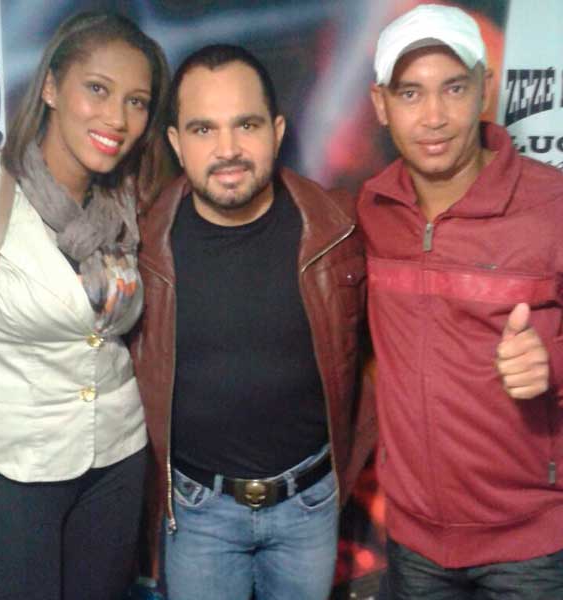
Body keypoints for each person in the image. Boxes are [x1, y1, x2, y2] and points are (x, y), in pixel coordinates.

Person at [130, 44, 376, 600]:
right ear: (176, 142)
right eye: (203, 129)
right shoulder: (142, 243)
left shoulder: (338, 229)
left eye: (246, 124)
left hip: (310, 506)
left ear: (277, 130)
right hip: (197, 513)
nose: (228, 150)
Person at [358, 4, 563, 599]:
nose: (434, 116)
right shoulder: (371, 209)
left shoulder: (551, 205)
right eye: (410, 93)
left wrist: (551, 363)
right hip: (413, 542)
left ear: (484, 90)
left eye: (453, 87)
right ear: (380, 105)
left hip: (529, 547)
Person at [0, 11, 170, 599]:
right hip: (15, 471)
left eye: (136, 101)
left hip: (118, 461)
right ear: (51, 87)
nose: (117, 118)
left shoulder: (133, 201)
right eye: (97, 89)